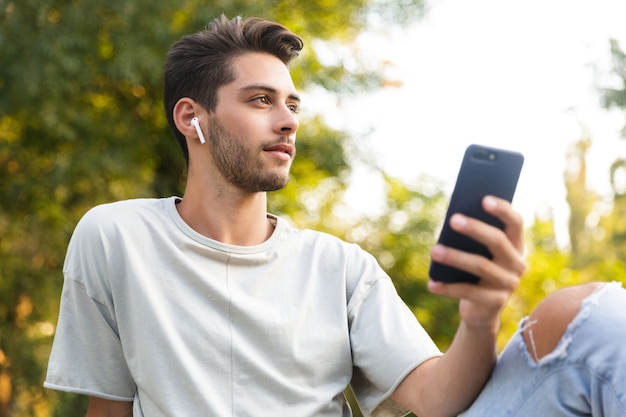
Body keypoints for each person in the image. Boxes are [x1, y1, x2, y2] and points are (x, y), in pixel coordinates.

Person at [43, 15, 624, 417]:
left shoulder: (340, 267)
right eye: (261, 100)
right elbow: (108, 407)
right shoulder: (115, 236)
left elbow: (438, 399)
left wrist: (480, 318)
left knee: (593, 318)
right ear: (192, 118)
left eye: (292, 104)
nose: (289, 120)